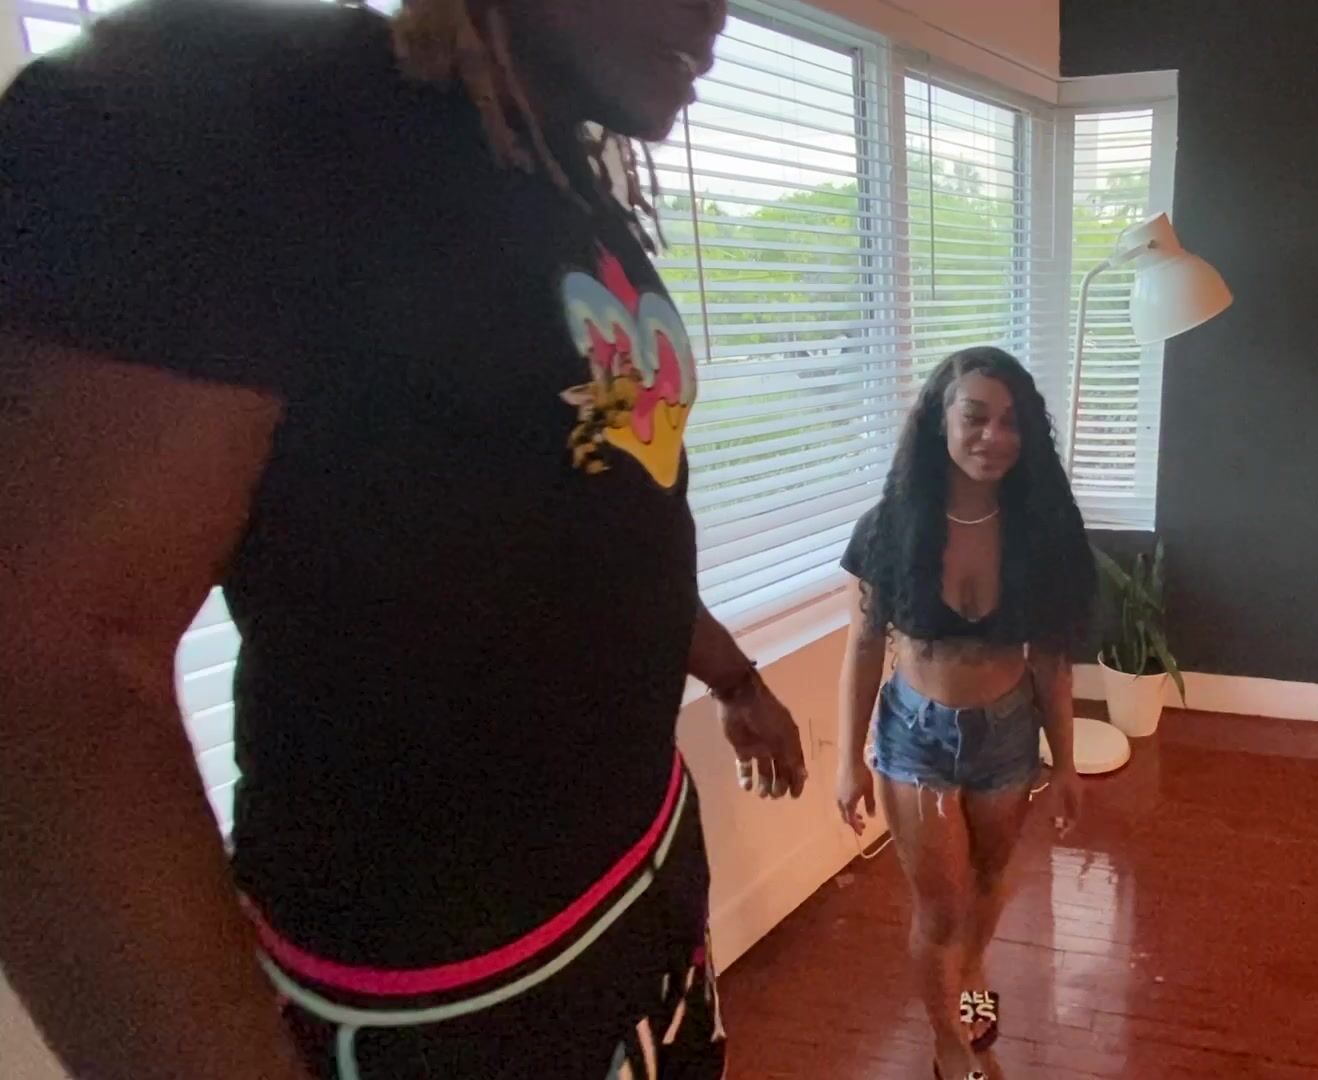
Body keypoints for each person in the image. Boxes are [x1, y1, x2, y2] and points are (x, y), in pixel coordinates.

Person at [0, 1, 813, 1078]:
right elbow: (55, 674)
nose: (713, 12)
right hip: (442, 999)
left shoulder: (568, 180)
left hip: (646, 879)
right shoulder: (260, 109)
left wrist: (734, 677)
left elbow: (604, 516)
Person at [836, 347, 1095, 1080]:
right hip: (915, 737)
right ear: (940, 422)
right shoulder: (888, 527)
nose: (993, 436)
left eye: (1011, 422)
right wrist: (846, 761)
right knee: (942, 910)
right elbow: (863, 646)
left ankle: (973, 973)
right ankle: (950, 1044)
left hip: (1008, 732)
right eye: (975, 417)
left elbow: (1051, 660)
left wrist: (1066, 764)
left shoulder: (1042, 529)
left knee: (988, 879)